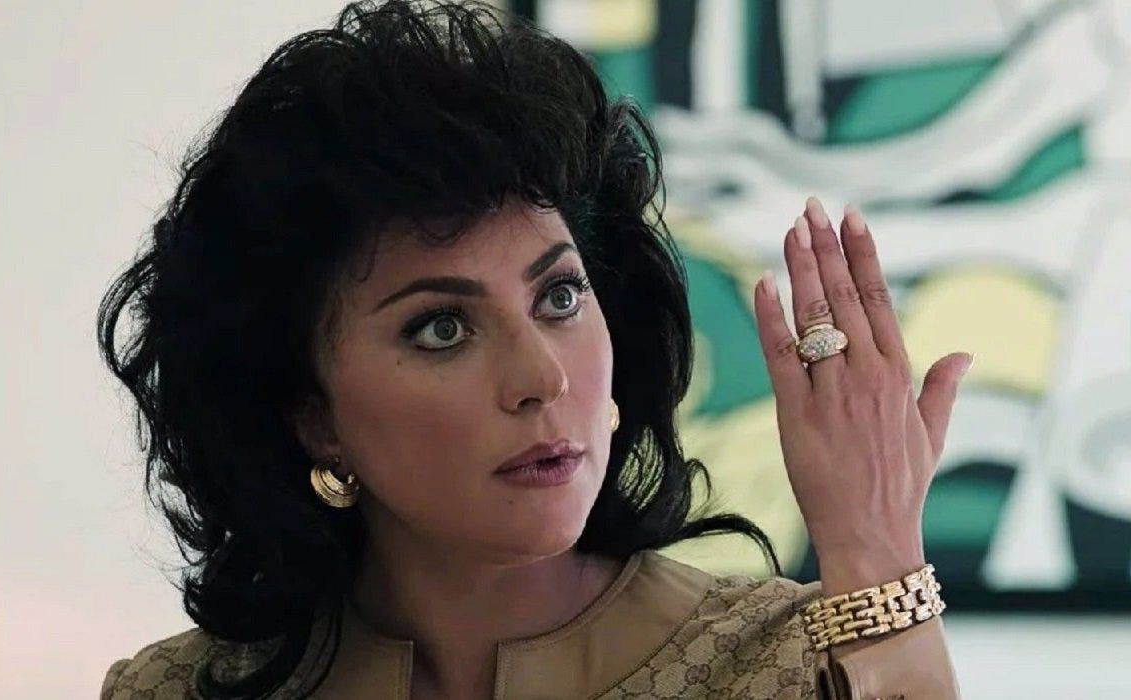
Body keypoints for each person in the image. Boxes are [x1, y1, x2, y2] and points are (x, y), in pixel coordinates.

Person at [96, 1, 966, 697]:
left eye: (559, 297)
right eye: (442, 327)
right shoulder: (173, 692)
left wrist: (878, 556)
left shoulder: (782, 671)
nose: (541, 377)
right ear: (313, 415)